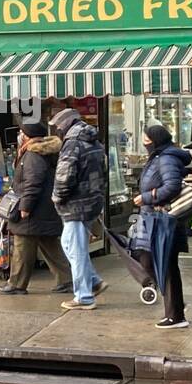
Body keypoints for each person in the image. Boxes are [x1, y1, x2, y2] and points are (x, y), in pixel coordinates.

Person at [0, 122, 72, 296]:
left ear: (27, 136)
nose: (19, 135)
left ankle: (17, 284)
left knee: (22, 245)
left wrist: (26, 206)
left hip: (34, 209)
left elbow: (33, 182)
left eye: (21, 132)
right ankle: (67, 280)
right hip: (45, 208)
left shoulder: (33, 154)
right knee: (50, 245)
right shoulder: (42, 151)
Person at [134, 124, 192, 328]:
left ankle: (175, 315)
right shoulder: (159, 157)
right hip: (154, 218)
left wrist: (147, 197)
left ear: (151, 140)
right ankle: (176, 304)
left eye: (144, 136)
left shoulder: (166, 158)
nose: (142, 139)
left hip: (163, 219)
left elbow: (172, 186)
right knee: (149, 259)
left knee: (165, 265)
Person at [51, 107, 107, 310]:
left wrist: (57, 197)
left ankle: (84, 296)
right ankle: (94, 281)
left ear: (65, 125)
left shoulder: (72, 144)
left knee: (76, 250)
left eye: (58, 126)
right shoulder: (93, 141)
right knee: (70, 245)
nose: (57, 130)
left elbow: (64, 176)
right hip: (91, 201)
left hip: (76, 204)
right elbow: (103, 171)